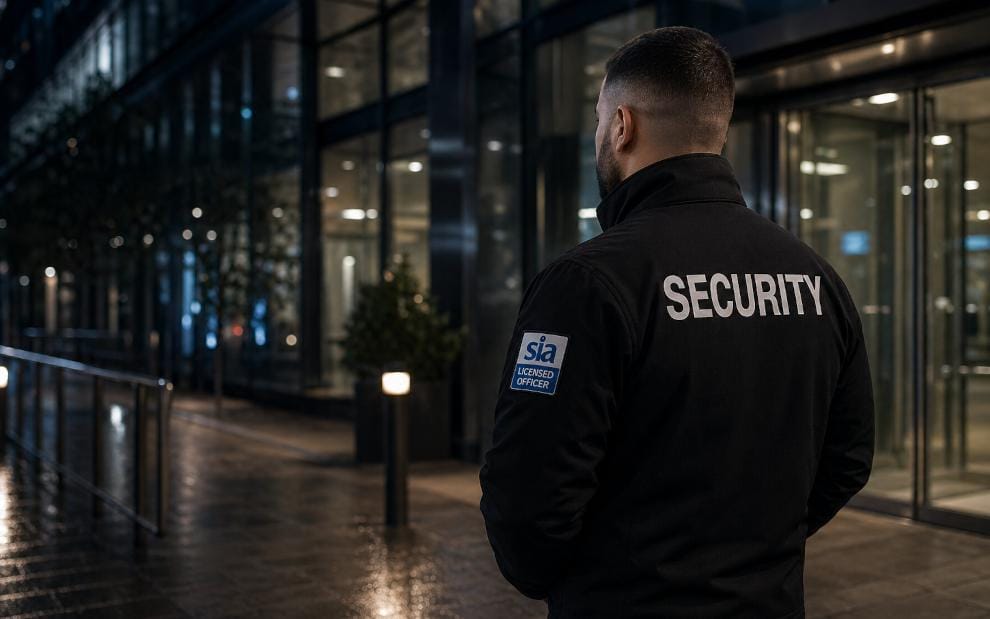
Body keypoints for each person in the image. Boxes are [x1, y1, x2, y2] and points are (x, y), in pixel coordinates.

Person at [478, 26, 875, 618]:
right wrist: (751, 554)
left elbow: (529, 499)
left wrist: (592, 577)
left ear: (622, 126)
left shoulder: (586, 284)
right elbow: (847, 457)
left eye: (598, 120)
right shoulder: (814, 278)